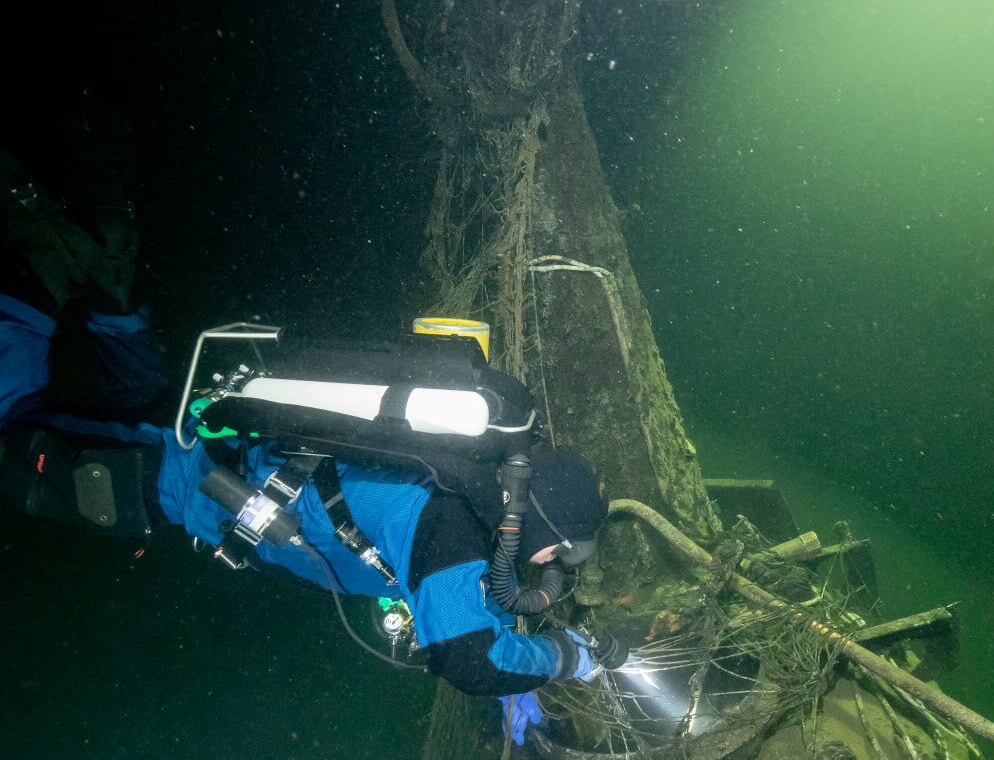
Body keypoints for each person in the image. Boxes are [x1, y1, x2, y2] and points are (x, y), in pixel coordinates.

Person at [0, 148, 610, 719]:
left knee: (135, 401)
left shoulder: (465, 482)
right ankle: (30, 282)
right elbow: (472, 660)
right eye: (558, 549)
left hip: (207, 436)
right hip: (175, 475)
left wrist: (519, 653)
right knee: (18, 438)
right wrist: (569, 657)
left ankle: (107, 289)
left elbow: (465, 604)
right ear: (539, 519)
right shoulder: (454, 533)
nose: (551, 563)